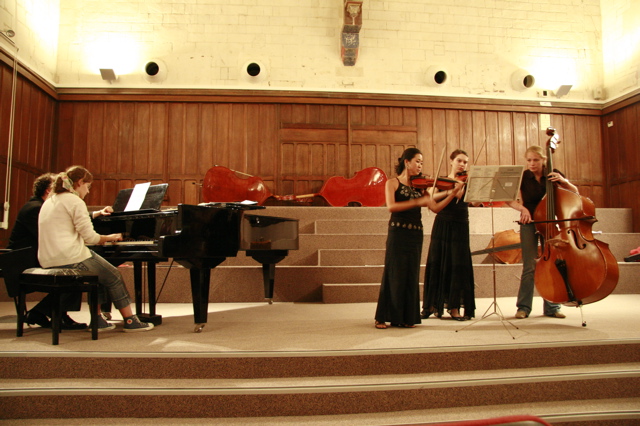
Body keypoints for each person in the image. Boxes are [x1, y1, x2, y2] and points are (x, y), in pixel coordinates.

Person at [37, 165, 154, 332]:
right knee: (113, 275)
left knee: (99, 275)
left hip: (48, 258)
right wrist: (111, 237)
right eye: (88, 186)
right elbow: (91, 238)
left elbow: (69, 221)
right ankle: (130, 320)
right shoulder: (74, 200)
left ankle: (98, 320)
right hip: (70, 258)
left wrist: (97, 215)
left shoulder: (52, 200)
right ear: (79, 182)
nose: (88, 191)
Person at [374, 148, 464, 329]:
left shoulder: (421, 187)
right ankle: (382, 317)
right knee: (394, 273)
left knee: (411, 275)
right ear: (407, 162)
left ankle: (406, 317)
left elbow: (436, 208)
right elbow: (391, 207)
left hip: (415, 234)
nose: (420, 165)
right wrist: (417, 202)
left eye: (422, 162)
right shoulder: (392, 183)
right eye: (417, 161)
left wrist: (453, 194)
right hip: (398, 232)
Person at [7, 173, 87, 330]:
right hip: (21, 259)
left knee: (75, 270)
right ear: (50, 189)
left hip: (33, 254)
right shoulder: (36, 208)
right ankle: (51, 313)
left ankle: (51, 313)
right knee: (76, 271)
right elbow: (53, 233)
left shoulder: (40, 206)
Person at [506, 145, 578, 319]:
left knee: (552, 263)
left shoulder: (554, 174)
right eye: (529, 160)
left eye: (536, 160)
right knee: (529, 266)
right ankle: (523, 307)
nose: (532, 163)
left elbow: (574, 193)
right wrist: (522, 209)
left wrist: (564, 181)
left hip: (551, 223)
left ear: (544, 160)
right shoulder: (524, 177)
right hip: (529, 223)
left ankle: (552, 307)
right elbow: (508, 198)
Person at [422, 149, 477, 321]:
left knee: (458, 266)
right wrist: (451, 191)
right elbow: (431, 197)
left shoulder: (468, 182)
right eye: (459, 161)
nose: (462, 164)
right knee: (437, 262)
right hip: (443, 224)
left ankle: (454, 308)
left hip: (461, 225)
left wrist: (471, 192)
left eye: (465, 162)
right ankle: (431, 305)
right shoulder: (442, 181)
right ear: (451, 161)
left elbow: (475, 202)